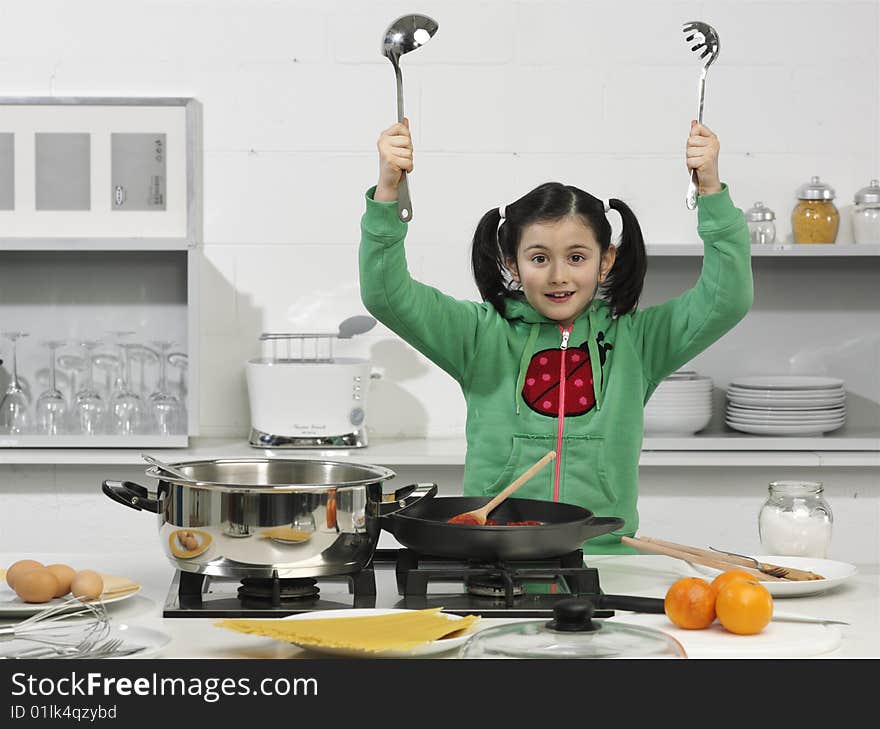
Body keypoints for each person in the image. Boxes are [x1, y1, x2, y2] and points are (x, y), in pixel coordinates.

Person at [359, 118, 752, 553]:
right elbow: (386, 295)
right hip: (494, 551)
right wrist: (388, 194)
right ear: (512, 263)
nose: (559, 276)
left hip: (604, 554)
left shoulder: (637, 340)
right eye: (539, 257)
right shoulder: (478, 335)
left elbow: (727, 298)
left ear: (605, 262)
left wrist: (711, 193)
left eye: (577, 257)